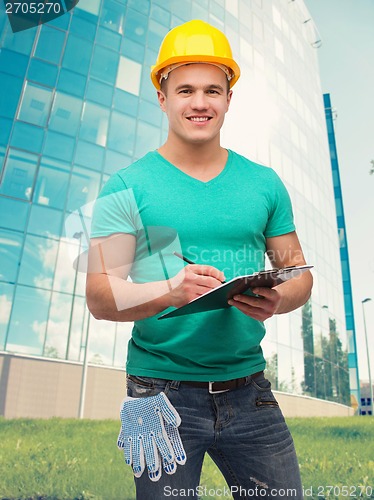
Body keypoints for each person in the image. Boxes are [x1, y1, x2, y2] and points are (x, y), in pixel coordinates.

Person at [86, 19, 313, 500]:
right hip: (158, 393)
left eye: (213, 89)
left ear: (229, 98)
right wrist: (169, 291)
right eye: (185, 89)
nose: (200, 102)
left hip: (249, 389)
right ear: (162, 96)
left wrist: (277, 299)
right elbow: (100, 295)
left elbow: (299, 275)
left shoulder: (264, 183)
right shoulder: (125, 186)